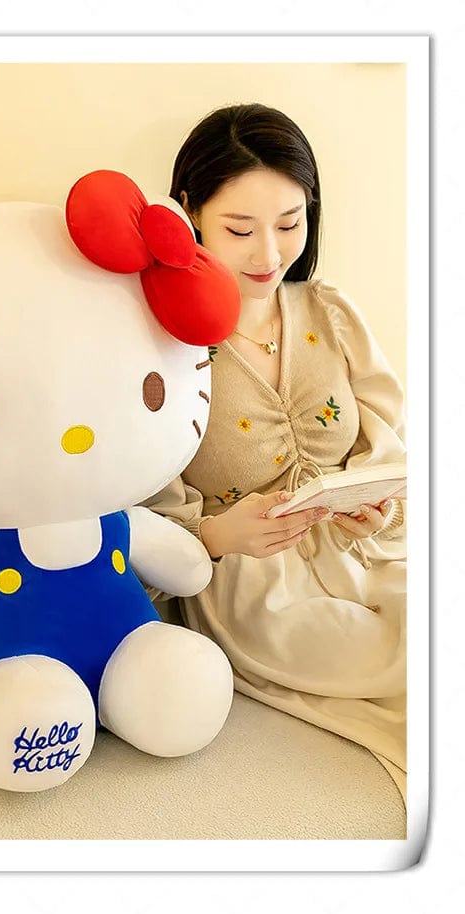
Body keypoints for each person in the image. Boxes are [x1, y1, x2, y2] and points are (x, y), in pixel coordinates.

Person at [144, 103, 407, 801]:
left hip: (372, 554)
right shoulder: (161, 343)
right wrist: (215, 536)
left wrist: (376, 507)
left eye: (290, 224)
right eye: (240, 229)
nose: (268, 255)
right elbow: (140, 513)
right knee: (410, 655)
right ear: (190, 211)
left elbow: (390, 446)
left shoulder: (330, 312)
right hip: (259, 589)